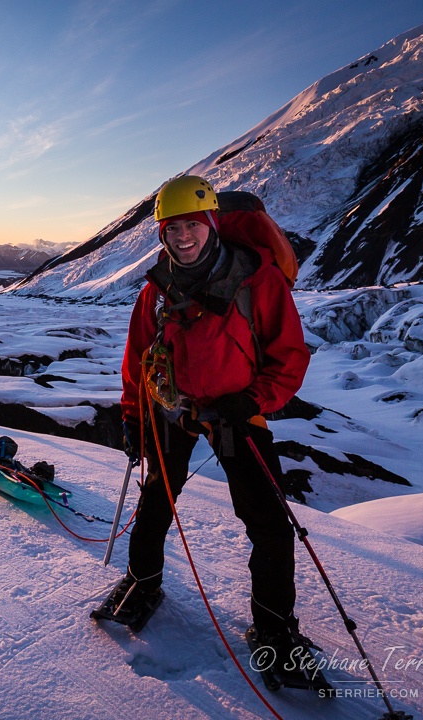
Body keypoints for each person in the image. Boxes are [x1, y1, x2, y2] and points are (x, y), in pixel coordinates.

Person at [117, 175, 311, 668]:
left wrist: (250, 401)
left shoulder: (258, 279)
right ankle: (142, 582)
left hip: (237, 413)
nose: (182, 236)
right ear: (161, 233)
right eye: (172, 228)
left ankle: (274, 626)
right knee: (155, 501)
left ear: (212, 223)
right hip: (172, 409)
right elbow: (139, 358)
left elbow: (289, 356)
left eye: (192, 225)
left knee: (269, 524)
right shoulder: (156, 289)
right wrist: (134, 416)